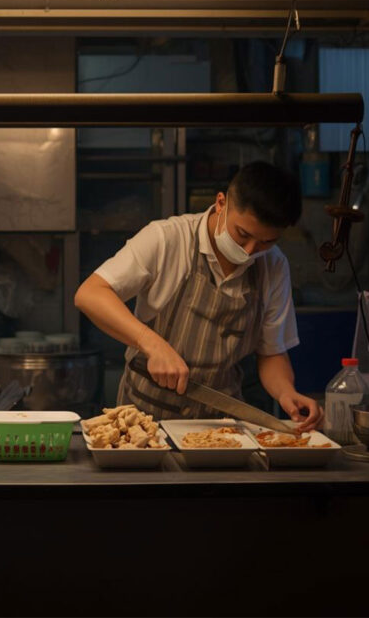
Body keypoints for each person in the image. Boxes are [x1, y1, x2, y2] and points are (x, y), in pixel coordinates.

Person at [75, 161, 323, 430]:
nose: (251, 250)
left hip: (222, 424)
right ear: (220, 203)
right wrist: (151, 343)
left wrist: (286, 392)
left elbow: (271, 351)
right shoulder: (167, 239)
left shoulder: (273, 265)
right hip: (144, 419)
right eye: (242, 235)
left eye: (266, 242)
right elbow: (90, 293)